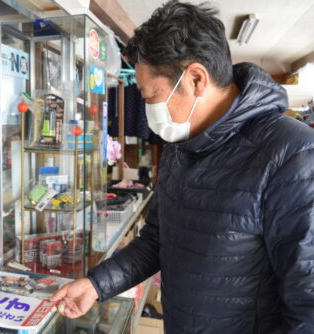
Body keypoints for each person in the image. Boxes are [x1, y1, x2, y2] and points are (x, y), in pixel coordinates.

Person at [50, 1, 314, 333]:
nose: (149, 108)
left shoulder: (293, 154)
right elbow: (158, 241)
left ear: (196, 79)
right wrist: (96, 284)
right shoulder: (180, 145)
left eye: (149, 97)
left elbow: (308, 303)